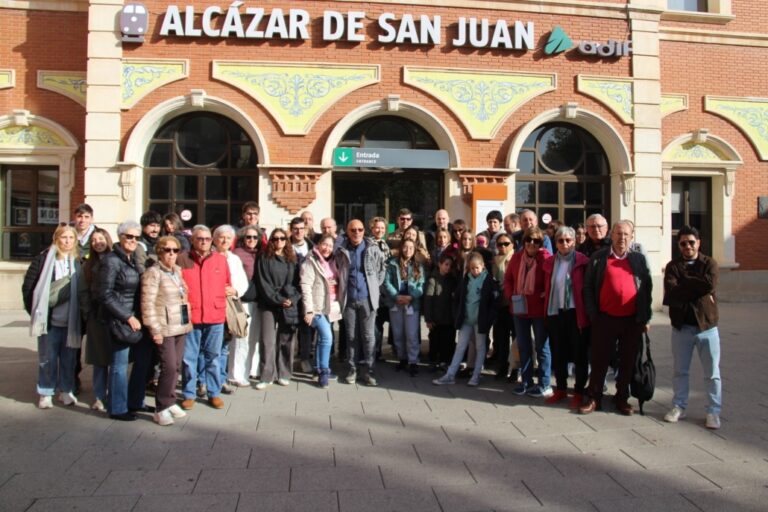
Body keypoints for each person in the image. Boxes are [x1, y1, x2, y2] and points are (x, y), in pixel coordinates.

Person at [579, 220, 652, 416]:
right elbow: (587, 287)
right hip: (605, 319)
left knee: (627, 361)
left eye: (626, 234)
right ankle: (594, 398)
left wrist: (645, 317)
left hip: (631, 320)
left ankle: (622, 398)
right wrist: (593, 314)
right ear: (612, 235)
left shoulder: (638, 259)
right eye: (619, 234)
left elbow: (647, 287)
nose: (622, 238)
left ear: (632, 236)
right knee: (599, 360)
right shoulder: (598, 257)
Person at [663, 226, 722, 429]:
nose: (687, 246)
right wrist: (695, 286)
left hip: (707, 326)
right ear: (678, 245)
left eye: (691, 242)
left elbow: (709, 286)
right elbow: (672, 292)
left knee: (712, 373)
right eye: (683, 243)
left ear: (698, 242)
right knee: (680, 371)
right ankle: (679, 406)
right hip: (682, 327)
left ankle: (713, 411)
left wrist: (684, 283)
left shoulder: (710, 263)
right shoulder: (673, 266)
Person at [23, 224, 82, 410]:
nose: (67, 241)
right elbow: (29, 288)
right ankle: (46, 391)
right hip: (50, 321)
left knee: (69, 359)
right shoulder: (43, 260)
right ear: (56, 238)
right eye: (64, 237)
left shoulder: (77, 262)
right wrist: (36, 312)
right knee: (47, 358)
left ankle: (65, 390)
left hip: (71, 321)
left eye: (71, 238)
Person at [177, 225, 233, 410]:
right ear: (193, 240)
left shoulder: (220, 260)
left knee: (213, 357)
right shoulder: (182, 259)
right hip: (192, 315)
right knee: (189, 358)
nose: (204, 242)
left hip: (215, 315)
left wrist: (230, 290)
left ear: (212, 241)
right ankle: (189, 393)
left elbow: (227, 283)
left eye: (207, 239)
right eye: (200, 238)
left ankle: (214, 392)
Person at [141, 235, 193, 426]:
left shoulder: (177, 271)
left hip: (180, 325)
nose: (171, 254)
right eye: (167, 250)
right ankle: (161, 407)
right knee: (168, 366)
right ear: (159, 251)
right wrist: (154, 329)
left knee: (177, 366)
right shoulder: (153, 273)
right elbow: (147, 304)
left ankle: (170, 401)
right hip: (164, 327)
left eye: (175, 250)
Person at [98, 220, 144, 421]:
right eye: (129, 236)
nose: (133, 240)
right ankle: (117, 408)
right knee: (118, 364)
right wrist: (127, 316)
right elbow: (105, 294)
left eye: (136, 237)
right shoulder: (111, 260)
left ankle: (128, 402)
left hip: (131, 317)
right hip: (119, 319)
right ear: (120, 237)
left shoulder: (130, 259)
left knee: (128, 364)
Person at [433, 252, 500, 387]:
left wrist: (489, 320)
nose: (474, 271)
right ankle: (450, 375)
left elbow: (494, 303)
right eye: (472, 268)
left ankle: (476, 375)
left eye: (477, 268)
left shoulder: (488, 281)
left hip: (480, 321)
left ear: (483, 266)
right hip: (466, 320)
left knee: (481, 348)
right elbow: (457, 297)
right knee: (460, 346)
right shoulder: (466, 279)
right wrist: (456, 314)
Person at [542, 226, 590, 408]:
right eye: (560, 241)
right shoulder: (550, 263)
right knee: (559, 353)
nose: (564, 244)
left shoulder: (582, 262)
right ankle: (561, 389)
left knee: (579, 354)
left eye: (568, 240)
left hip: (575, 313)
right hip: (556, 312)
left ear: (574, 242)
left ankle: (578, 391)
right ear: (556, 243)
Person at [504, 226, 553, 398]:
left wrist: (546, 292)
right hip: (519, 309)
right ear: (524, 242)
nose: (531, 243)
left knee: (542, 347)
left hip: (538, 310)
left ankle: (544, 383)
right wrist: (511, 295)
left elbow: (552, 279)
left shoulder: (545, 258)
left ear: (541, 243)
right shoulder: (516, 258)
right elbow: (508, 279)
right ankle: (526, 381)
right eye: (528, 240)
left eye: (536, 241)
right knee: (523, 346)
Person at [337, 219, 386, 386]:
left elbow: (381, 270)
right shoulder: (342, 249)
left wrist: (373, 286)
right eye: (353, 230)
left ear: (364, 231)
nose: (356, 232)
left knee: (368, 336)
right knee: (351, 336)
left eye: (359, 229)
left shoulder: (372, 248)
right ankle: (352, 369)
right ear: (347, 232)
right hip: (349, 299)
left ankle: (369, 370)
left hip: (367, 299)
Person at [255, 228, 301, 389]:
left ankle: (284, 373)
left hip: (288, 303)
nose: (279, 241)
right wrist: (278, 300)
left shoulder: (292, 259)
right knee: (267, 340)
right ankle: (266, 375)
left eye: (282, 239)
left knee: (286, 339)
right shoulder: (263, 258)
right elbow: (263, 283)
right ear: (271, 241)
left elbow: (298, 283)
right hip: (269, 303)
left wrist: (292, 299)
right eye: (275, 239)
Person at [300, 234, 345, 388]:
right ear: (318, 245)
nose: (327, 248)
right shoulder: (310, 261)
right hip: (317, 307)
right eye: (324, 245)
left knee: (322, 339)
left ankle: (319, 369)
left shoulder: (333, 261)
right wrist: (309, 310)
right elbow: (305, 286)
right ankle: (323, 371)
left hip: (331, 307)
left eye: (330, 246)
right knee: (327, 337)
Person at [78, 228, 113, 412]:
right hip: (96, 317)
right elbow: (83, 292)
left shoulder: (116, 259)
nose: (98, 242)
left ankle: (114, 395)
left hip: (114, 317)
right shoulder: (87, 265)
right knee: (99, 360)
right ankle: (100, 396)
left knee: (115, 360)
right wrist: (88, 313)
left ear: (108, 239)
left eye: (101, 238)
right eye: (93, 240)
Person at [212, 225, 249, 394]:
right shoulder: (210, 256)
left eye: (228, 238)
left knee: (224, 346)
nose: (225, 240)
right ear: (215, 239)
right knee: (211, 347)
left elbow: (242, 281)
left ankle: (220, 379)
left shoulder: (234, 259)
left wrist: (235, 290)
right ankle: (207, 381)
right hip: (213, 305)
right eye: (221, 237)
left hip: (230, 306)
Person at [384, 238, 425, 376]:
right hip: (396, 303)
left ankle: (413, 361)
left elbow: (421, 285)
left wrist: (411, 297)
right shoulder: (392, 263)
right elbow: (387, 282)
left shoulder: (418, 266)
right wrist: (396, 296)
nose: (408, 250)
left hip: (411, 303)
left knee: (412, 334)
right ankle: (402, 359)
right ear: (401, 248)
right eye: (405, 247)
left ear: (414, 250)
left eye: (411, 248)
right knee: (398, 333)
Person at [231, 225, 262, 386]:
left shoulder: (260, 253)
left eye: (254, 237)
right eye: (248, 237)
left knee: (255, 338)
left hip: (258, 300)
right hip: (242, 300)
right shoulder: (237, 254)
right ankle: (237, 373)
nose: (251, 240)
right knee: (241, 338)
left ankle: (252, 370)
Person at [289, 216, 316, 373]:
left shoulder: (313, 248)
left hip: (307, 293)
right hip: (290, 293)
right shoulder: (284, 246)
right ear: (291, 230)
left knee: (307, 328)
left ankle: (305, 358)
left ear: (306, 230)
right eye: (295, 229)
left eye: (301, 228)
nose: (298, 232)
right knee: (289, 328)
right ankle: (287, 360)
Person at [424, 253, 458, 371]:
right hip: (436, 318)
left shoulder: (452, 280)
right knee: (435, 340)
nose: (448, 267)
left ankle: (445, 361)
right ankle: (433, 360)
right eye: (446, 265)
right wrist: (428, 318)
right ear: (440, 264)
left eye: (450, 265)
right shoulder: (433, 280)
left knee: (448, 341)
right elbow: (428, 300)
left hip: (448, 318)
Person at [490, 232, 515, 379]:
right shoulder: (494, 260)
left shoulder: (515, 259)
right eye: (500, 244)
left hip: (512, 303)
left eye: (506, 243)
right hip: (499, 303)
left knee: (516, 338)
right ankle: (503, 367)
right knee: (501, 337)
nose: (503, 246)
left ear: (512, 245)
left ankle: (515, 368)